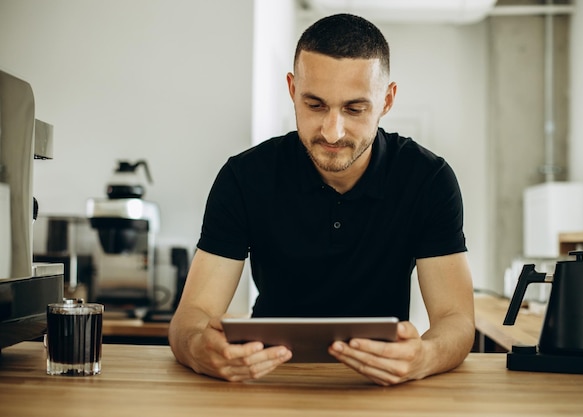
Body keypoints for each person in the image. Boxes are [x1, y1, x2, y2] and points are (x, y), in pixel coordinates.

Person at [169, 13, 475, 386]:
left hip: (380, 388)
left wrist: (424, 357)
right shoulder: (244, 177)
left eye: (354, 109)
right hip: (267, 381)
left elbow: (456, 320)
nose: (333, 131)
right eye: (315, 105)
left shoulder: (428, 180)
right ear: (292, 89)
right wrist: (200, 349)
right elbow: (190, 318)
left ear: (387, 100)